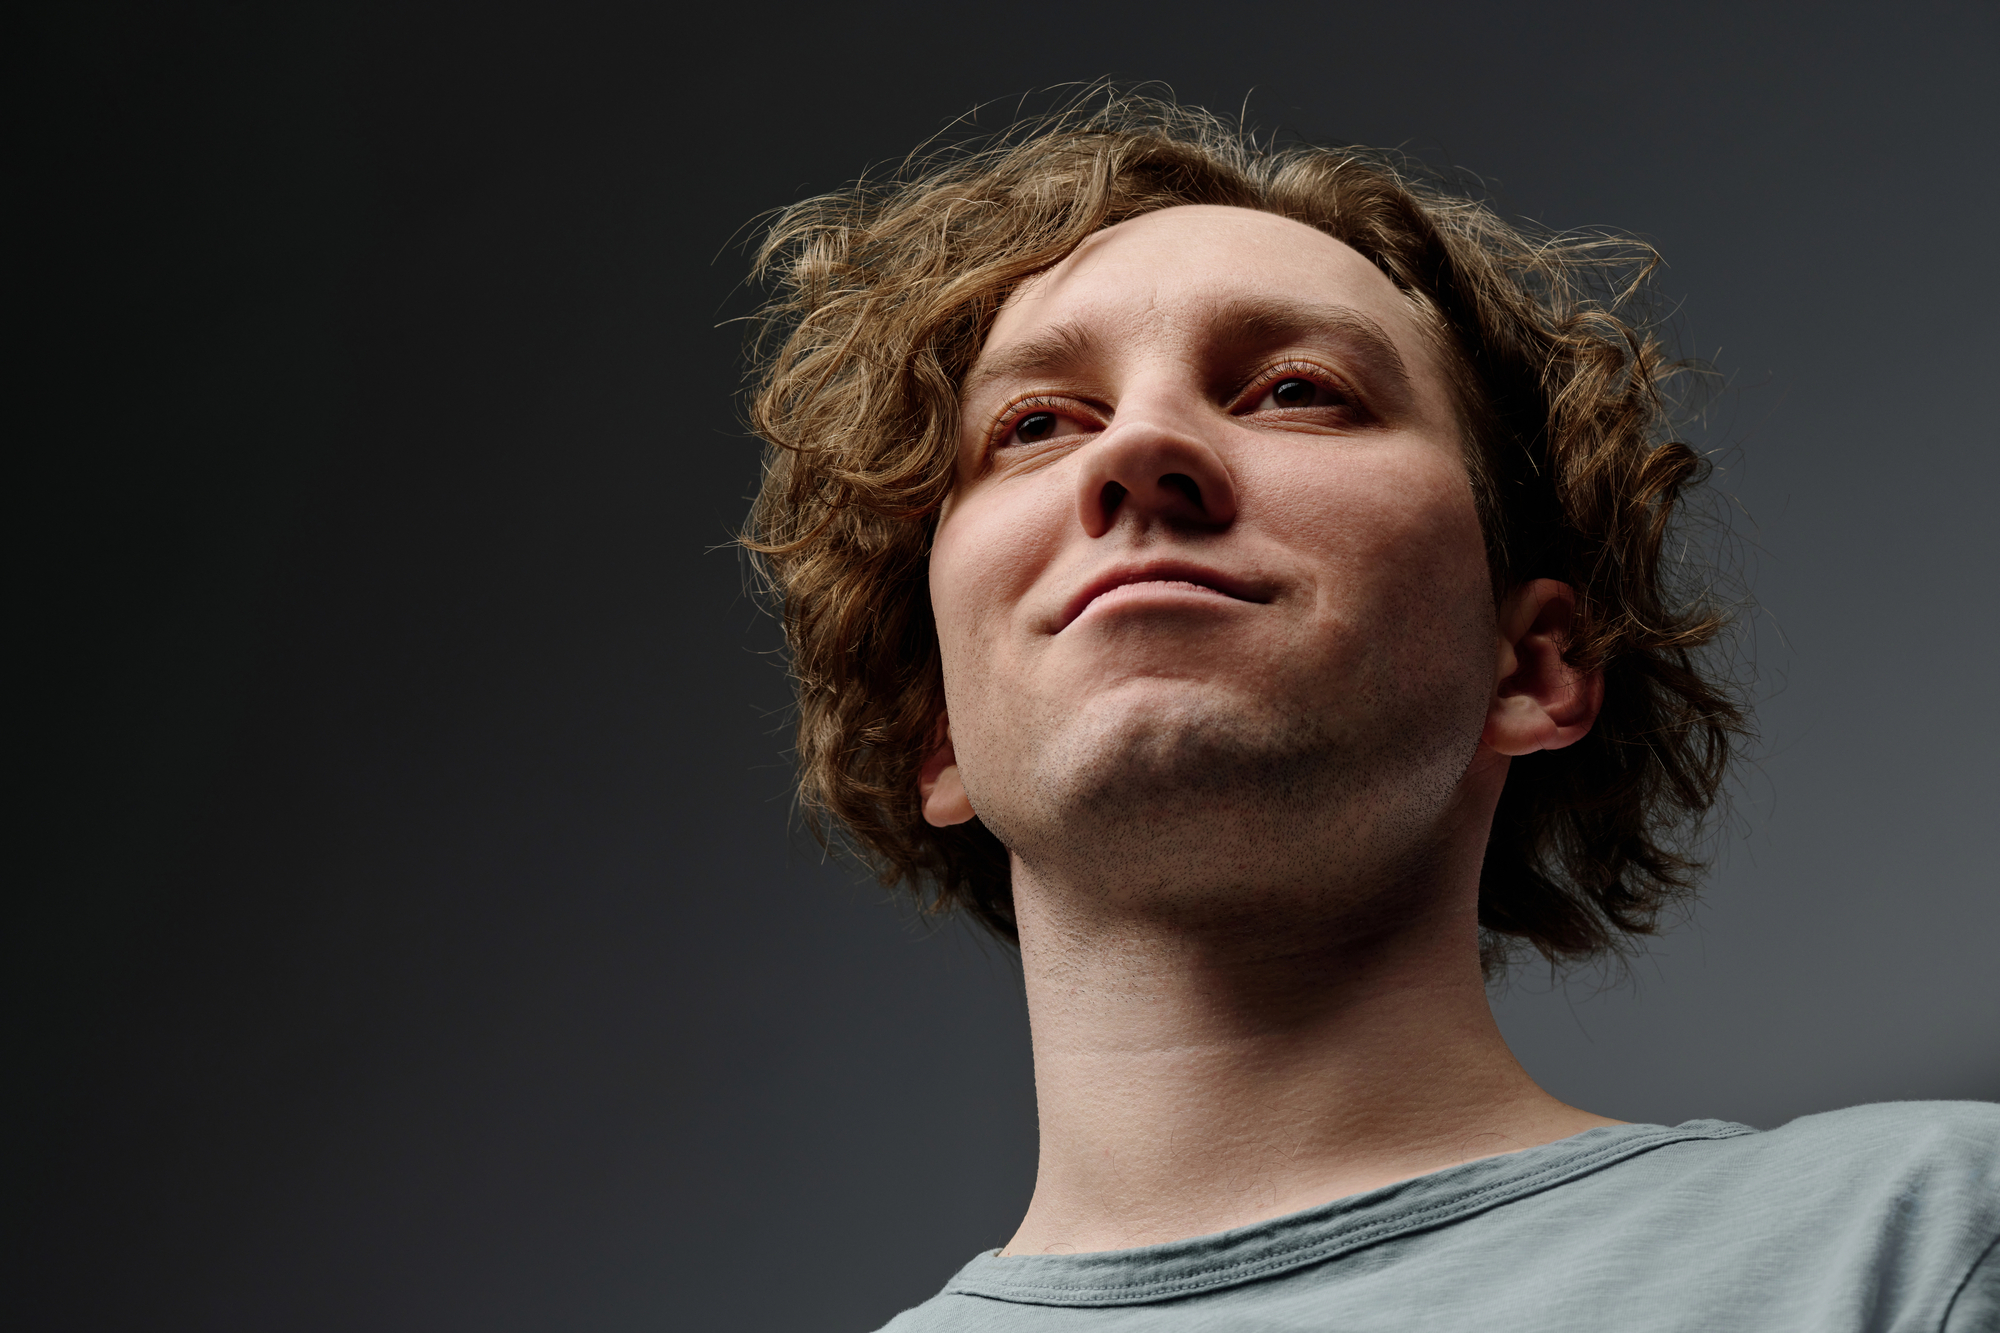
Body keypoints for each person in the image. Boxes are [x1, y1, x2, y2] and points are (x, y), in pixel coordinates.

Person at [740, 94, 1999, 1331]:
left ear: (1531, 665)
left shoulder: (1925, 1244)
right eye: (1032, 425)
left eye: (1294, 390)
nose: (1135, 451)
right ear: (935, 732)